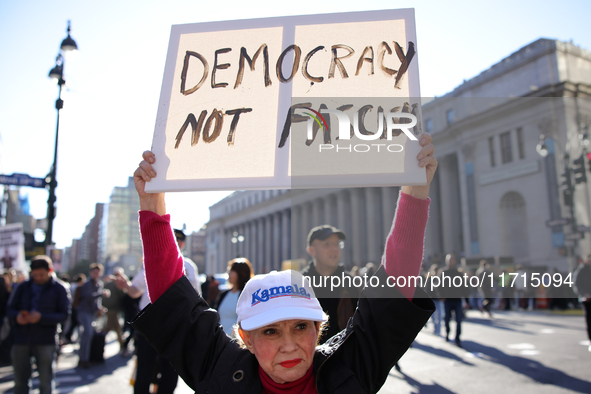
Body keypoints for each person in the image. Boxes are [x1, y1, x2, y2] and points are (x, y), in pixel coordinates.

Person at [129, 132, 437, 393]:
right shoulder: (220, 372)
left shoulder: (350, 368)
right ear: (246, 339)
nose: (289, 346)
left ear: (319, 330)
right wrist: (152, 206)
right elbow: (173, 302)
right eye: (270, 331)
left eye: (301, 326)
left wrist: (415, 190)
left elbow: (394, 288)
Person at [7, 256, 70, 394]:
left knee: (45, 381)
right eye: (35, 275)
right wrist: (17, 317)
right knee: (20, 381)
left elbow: (64, 315)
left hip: (46, 340)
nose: (38, 278)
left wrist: (42, 318)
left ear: (50, 271)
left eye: (41, 275)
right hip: (21, 338)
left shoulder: (59, 289)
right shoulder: (23, 287)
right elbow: (10, 308)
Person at [116, 267, 179, 394]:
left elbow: (195, 296)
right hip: (148, 325)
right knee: (144, 370)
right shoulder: (150, 264)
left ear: (181, 245)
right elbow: (135, 291)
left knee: (170, 372)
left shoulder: (187, 266)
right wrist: (126, 286)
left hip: (174, 327)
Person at [300, 225, 360, 343]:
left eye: (337, 244)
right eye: (327, 244)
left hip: (345, 355)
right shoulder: (299, 284)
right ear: (311, 250)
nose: (334, 249)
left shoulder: (352, 283)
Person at [76, 263, 110, 369]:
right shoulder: (87, 284)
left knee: (88, 335)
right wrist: (101, 294)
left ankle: (86, 358)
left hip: (91, 313)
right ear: (91, 273)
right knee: (88, 334)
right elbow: (87, 297)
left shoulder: (99, 284)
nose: (96, 274)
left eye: (98, 272)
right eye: (94, 272)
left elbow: (96, 301)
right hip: (83, 312)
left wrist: (99, 308)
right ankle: (83, 359)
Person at [212, 258, 254, 336]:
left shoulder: (246, 296)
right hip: (220, 339)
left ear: (240, 273)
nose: (228, 273)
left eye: (231, 270)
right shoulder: (224, 294)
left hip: (235, 342)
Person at [440, 253, 467, 347]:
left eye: (452, 260)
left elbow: (464, 287)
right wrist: (441, 296)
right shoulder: (443, 273)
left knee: (459, 320)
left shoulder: (458, 273)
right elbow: (438, 286)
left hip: (457, 300)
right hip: (447, 300)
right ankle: (447, 334)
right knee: (447, 319)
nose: (451, 262)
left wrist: (466, 300)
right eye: (449, 260)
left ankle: (457, 338)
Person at [101, 267, 126, 354]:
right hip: (113, 309)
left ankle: (123, 346)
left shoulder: (108, 283)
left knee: (117, 328)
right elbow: (122, 295)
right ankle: (99, 344)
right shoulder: (116, 283)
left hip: (110, 308)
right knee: (109, 328)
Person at [173, 229, 201, 294]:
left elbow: (197, 293)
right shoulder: (158, 264)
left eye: (176, 241)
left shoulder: (189, 265)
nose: (172, 244)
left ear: (182, 244)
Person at [573, 256, 591, 352]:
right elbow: (576, 284)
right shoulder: (581, 270)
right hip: (586, 298)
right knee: (589, 320)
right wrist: (584, 293)